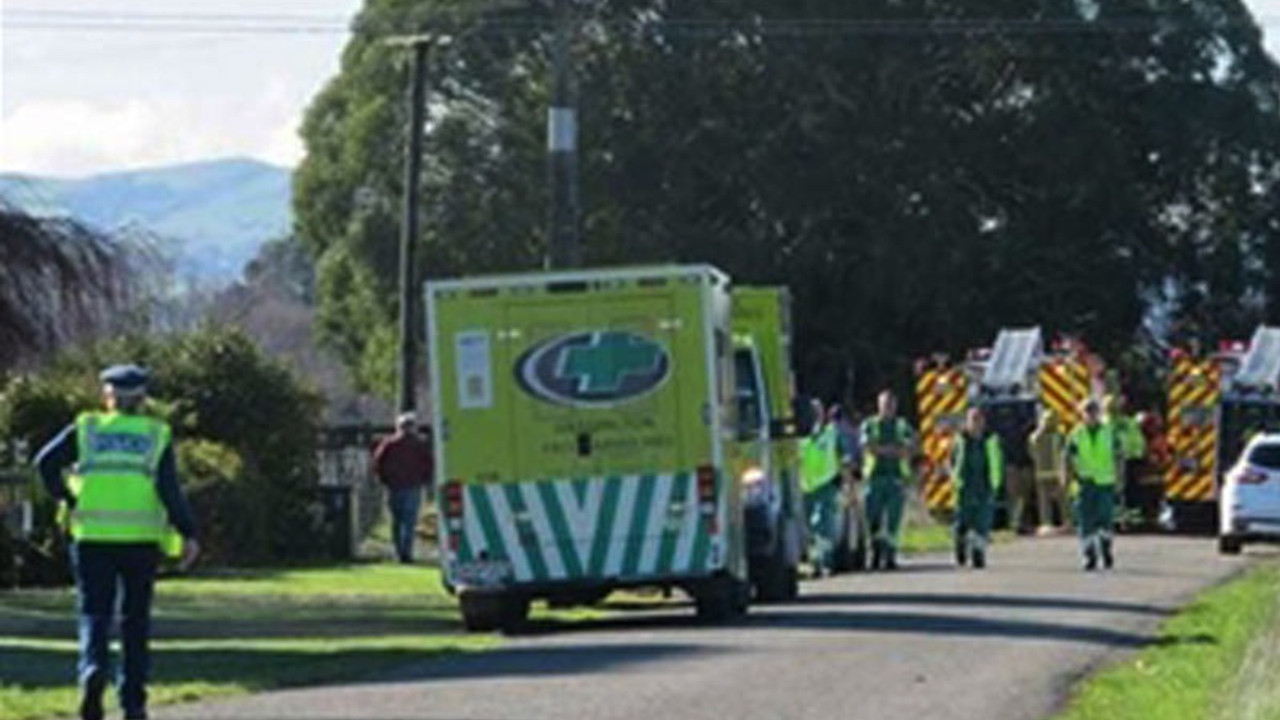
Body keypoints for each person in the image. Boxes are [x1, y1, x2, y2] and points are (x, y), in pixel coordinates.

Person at [34, 364, 199, 720]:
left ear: (107, 398)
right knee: (134, 620)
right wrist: (188, 532)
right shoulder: (156, 434)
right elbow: (169, 490)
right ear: (142, 400)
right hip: (141, 540)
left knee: (94, 612)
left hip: (92, 537)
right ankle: (132, 702)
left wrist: (67, 496)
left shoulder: (87, 429)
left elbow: (44, 463)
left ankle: (93, 668)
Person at [859, 390, 916, 571]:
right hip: (874, 478)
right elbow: (867, 447)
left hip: (896, 478)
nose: (888, 408)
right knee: (873, 519)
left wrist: (882, 449)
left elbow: (908, 448)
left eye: (891, 405)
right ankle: (876, 554)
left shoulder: (902, 425)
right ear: (878, 406)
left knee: (893, 519)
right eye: (884, 405)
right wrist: (892, 450)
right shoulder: (870, 424)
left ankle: (890, 556)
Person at [1065, 398, 1123, 571]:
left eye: (1094, 412)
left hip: (1105, 483)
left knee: (1105, 519)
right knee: (1085, 521)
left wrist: (1120, 478)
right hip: (1084, 483)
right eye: (1087, 412)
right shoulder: (1076, 434)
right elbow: (1067, 458)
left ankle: (1106, 549)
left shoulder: (1109, 433)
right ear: (1082, 414)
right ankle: (1089, 554)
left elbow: (1119, 456)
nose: (1091, 416)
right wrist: (1067, 479)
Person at [372, 412, 434, 563]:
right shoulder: (419, 445)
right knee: (409, 521)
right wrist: (425, 479)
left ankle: (398, 551)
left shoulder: (389, 444)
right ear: (413, 427)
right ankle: (406, 552)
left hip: (394, 486)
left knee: (396, 520)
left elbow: (378, 463)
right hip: (413, 485)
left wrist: (383, 479)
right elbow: (429, 464)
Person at [949, 407, 1004, 569]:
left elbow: (998, 461)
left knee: (982, 522)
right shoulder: (960, 440)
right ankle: (960, 545)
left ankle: (978, 554)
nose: (976, 423)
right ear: (966, 422)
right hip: (964, 487)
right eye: (972, 419)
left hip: (984, 487)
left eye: (979, 419)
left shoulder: (991, 440)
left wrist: (996, 483)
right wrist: (954, 480)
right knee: (962, 523)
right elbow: (952, 461)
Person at [799, 400, 841, 577]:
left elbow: (843, 454)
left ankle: (824, 562)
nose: (816, 416)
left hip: (825, 486)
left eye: (818, 412)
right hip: (805, 488)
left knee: (823, 524)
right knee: (807, 527)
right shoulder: (800, 438)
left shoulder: (831, 434)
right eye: (812, 412)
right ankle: (813, 563)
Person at [1105, 394, 1147, 528]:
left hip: (1128, 459)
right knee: (1117, 489)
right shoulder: (1105, 423)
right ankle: (1120, 516)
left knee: (1129, 488)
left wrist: (1138, 453)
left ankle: (1129, 516)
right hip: (1113, 460)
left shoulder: (1128, 422)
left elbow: (1137, 439)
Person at [1028, 409, 1069, 534]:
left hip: (1058, 473)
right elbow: (1032, 451)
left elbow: (1065, 453)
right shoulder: (1036, 436)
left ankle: (1066, 522)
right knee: (1044, 500)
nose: (1050, 422)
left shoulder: (1059, 435)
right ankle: (1046, 523)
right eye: (1047, 420)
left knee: (1063, 500)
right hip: (1042, 473)